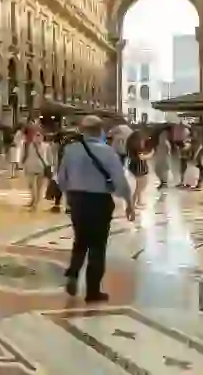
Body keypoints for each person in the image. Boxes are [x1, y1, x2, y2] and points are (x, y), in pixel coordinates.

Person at [54, 116, 134, 303]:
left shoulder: (71, 150)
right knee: (98, 246)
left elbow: (61, 177)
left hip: (77, 200)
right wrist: (129, 203)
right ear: (101, 131)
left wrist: (69, 197)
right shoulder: (108, 152)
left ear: (82, 131)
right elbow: (120, 181)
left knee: (80, 240)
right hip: (99, 201)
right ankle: (92, 291)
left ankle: (73, 273)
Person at [22, 124, 55, 210]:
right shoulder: (28, 145)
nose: (37, 137)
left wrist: (51, 166)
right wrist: (23, 164)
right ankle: (33, 200)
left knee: (39, 187)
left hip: (41, 167)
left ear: (43, 137)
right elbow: (25, 155)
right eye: (36, 135)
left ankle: (35, 204)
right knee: (31, 185)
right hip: (30, 166)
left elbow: (50, 157)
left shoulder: (46, 146)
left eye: (39, 135)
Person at [126, 131, 153, 208]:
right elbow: (141, 157)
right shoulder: (137, 147)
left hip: (136, 166)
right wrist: (151, 154)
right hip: (138, 167)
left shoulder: (132, 146)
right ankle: (133, 203)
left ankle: (138, 202)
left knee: (139, 185)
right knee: (140, 186)